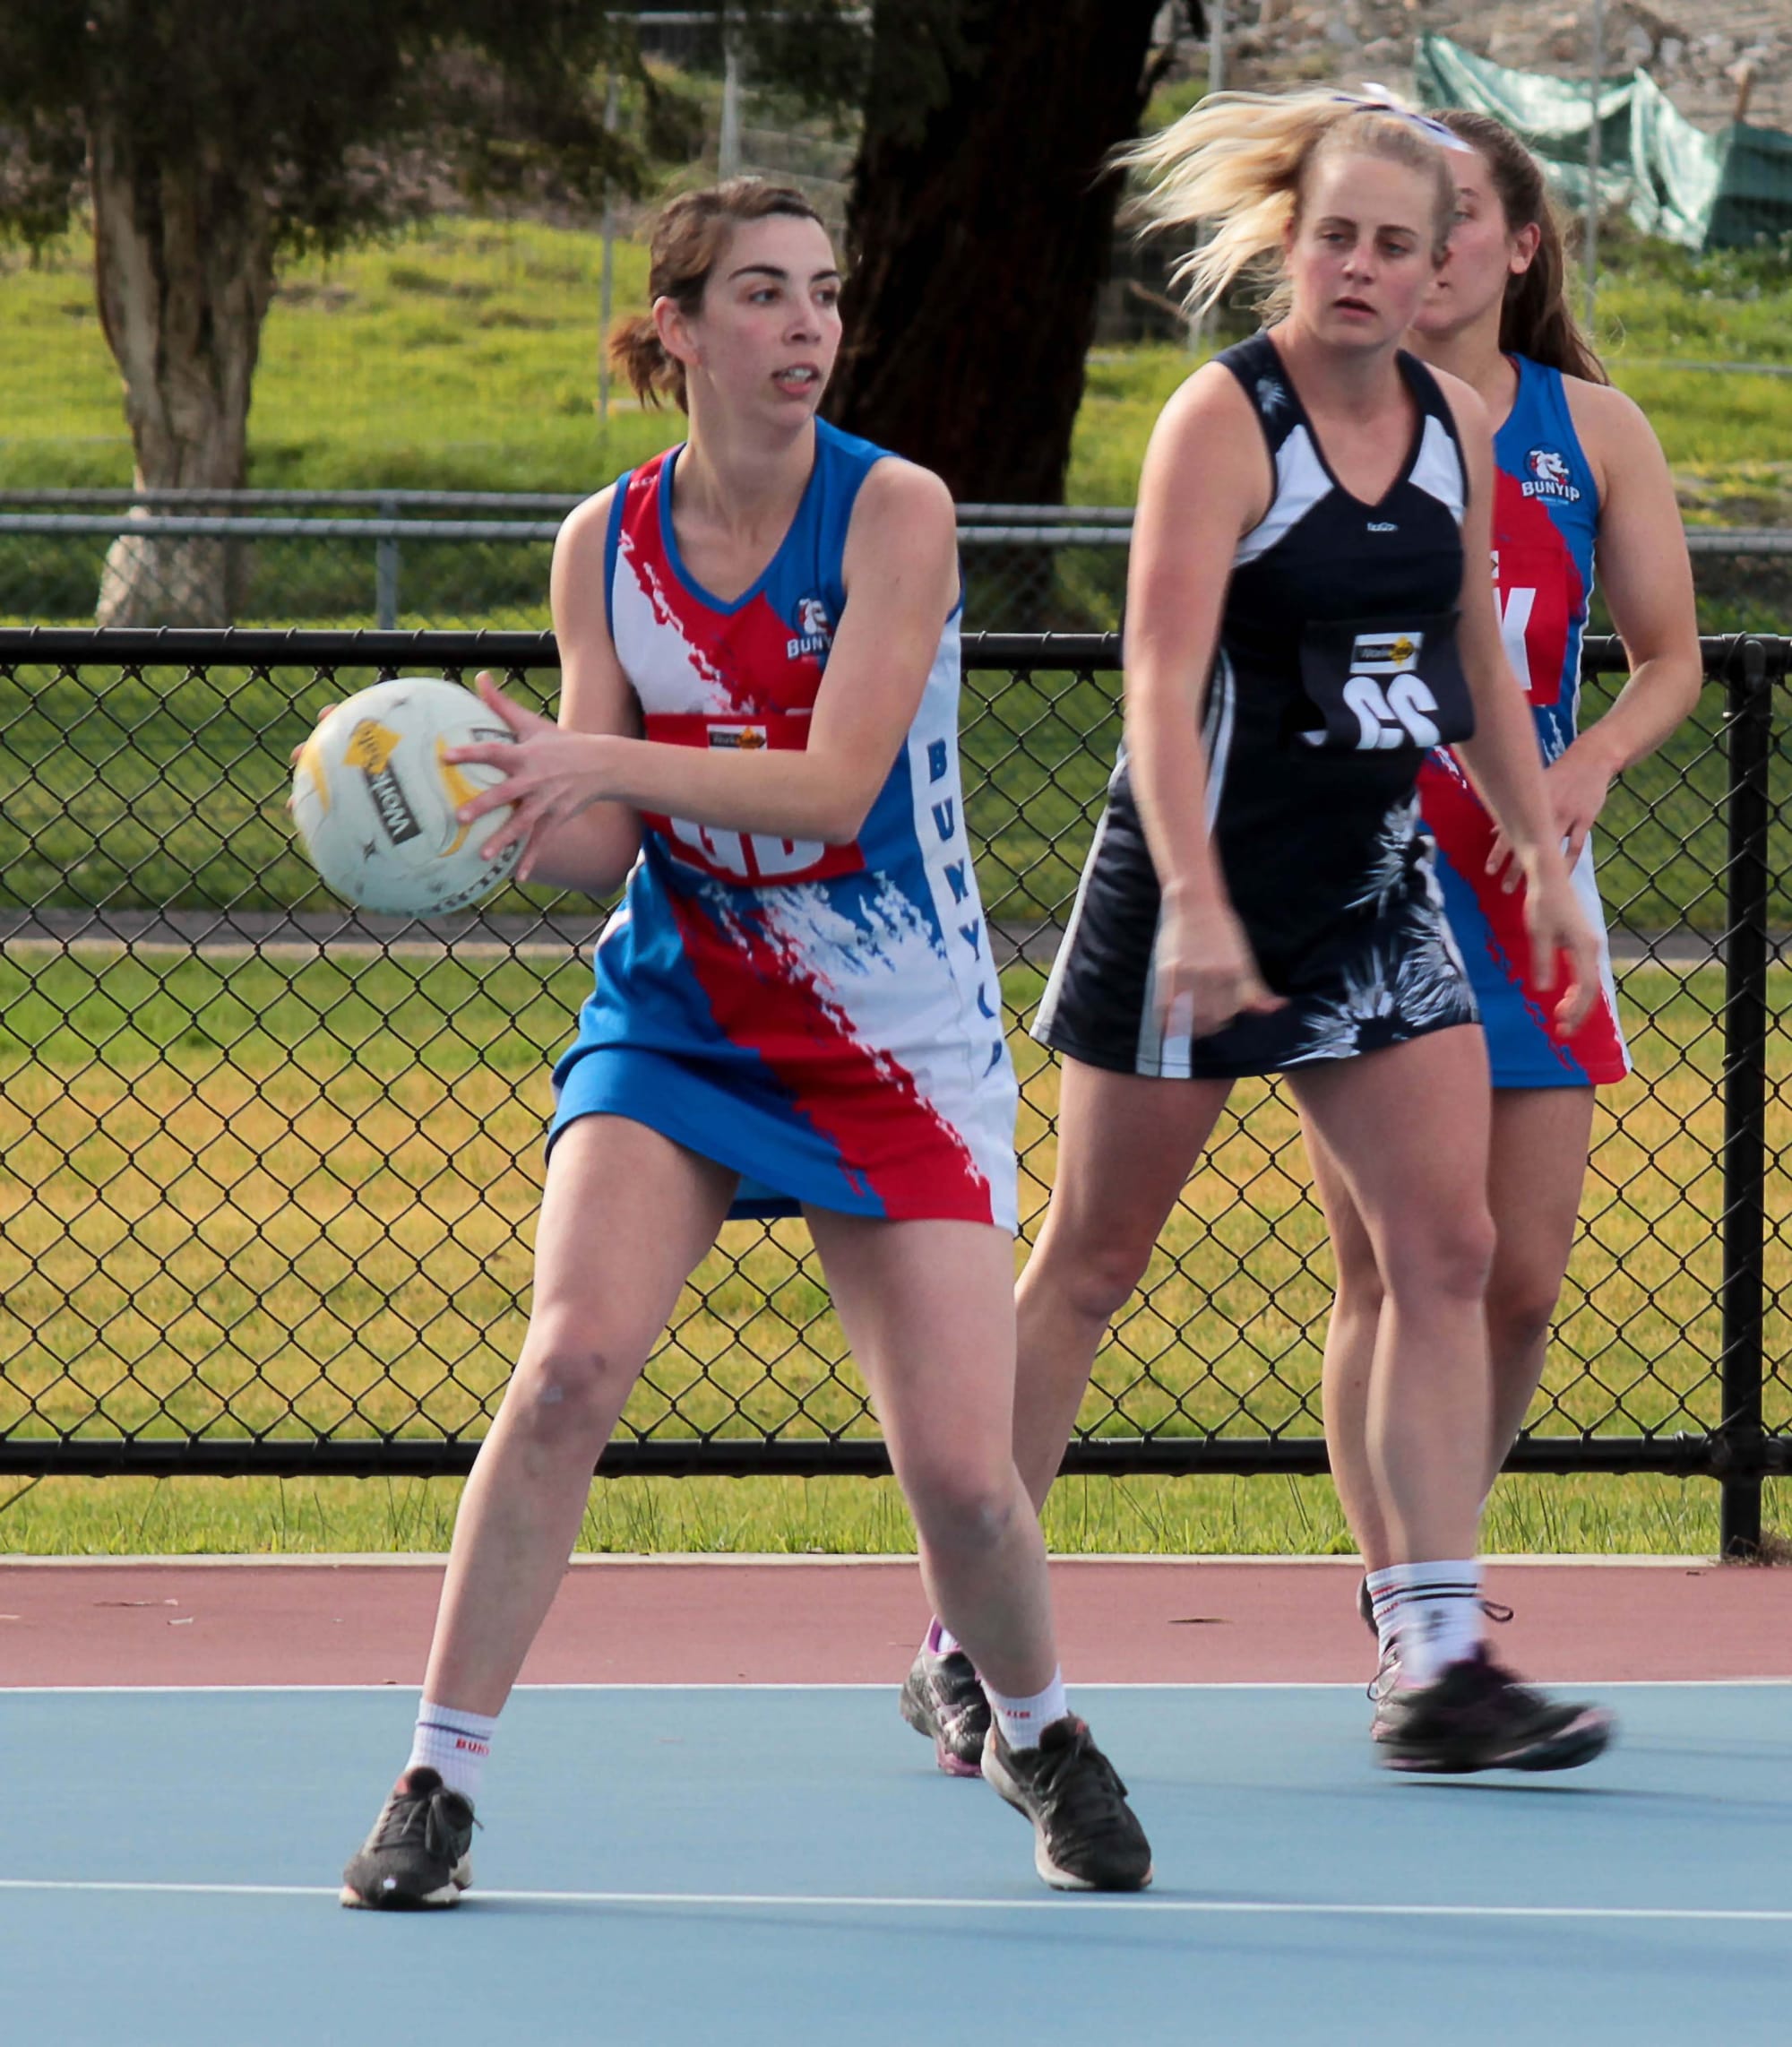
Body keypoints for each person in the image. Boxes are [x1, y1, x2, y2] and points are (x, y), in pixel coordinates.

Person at [336, 177, 1151, 1906]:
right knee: (565, 1371)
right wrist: (476, 817)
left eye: (825, 294)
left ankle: (1044, 1728)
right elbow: (603, 840)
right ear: (679, 329)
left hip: (893, 1024)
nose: (806, 327)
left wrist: (601, 763)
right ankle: (435, 1782)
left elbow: (835, 787)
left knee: (961, 1470)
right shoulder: (604, 544)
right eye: (765, 295)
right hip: (685, 1009)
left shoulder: (895, 514)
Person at [903, 88, 1613, 1779]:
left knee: (1447, 1256)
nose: (1365, 269)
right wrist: (1204, 906)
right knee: (1094, 1256)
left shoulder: (1450, 421)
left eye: (1397, 242)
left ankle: (1436, 1655)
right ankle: (956, 1637)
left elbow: (1478, 665)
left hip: (1372, 888)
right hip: (1193, 887)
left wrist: (1537, 864)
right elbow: (1154, 682)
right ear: (1288, 249)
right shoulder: (1225, 422)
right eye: (1337, 240)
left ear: (1450, 258)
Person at [1303, 110, 1702, 1696]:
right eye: (1411, 216)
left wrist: (1592, 757)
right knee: (1400, 1265)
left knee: (1522, 1272)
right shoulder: (1329, 415)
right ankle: (1416, 1603)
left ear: (1520, 247)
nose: (1436, 240)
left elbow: (1667, 655)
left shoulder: (1589, 429)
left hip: (1531, 867)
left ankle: (1438, 1560)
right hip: (1363, 868)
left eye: (1463, 216)